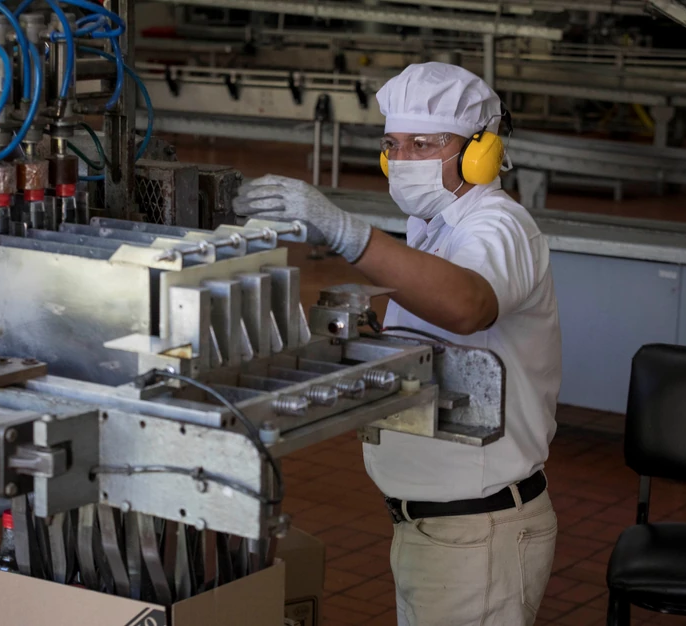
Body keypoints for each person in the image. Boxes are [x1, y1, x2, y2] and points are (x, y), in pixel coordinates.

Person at [233, 62, 562, 626]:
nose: (404, 159)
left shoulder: (497, 225)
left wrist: (347, 233)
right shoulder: (432, 230)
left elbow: (467, 306)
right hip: (435, 528)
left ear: (480, 151)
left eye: (425, 143)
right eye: (393, 145)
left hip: (476, 532)